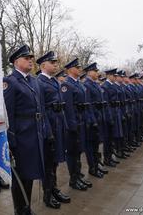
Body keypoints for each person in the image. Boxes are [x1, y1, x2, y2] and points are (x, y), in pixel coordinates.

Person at [3, 44, 46, 215]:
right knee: (20, 176)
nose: (30, 61)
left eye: (31, 58)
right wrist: (11, 142)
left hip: (34, 134)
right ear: (16, 61)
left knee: (30, 174)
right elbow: (8, 115)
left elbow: (40, 109)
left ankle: (27, 207)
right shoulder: (10, 82)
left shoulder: (33, 81)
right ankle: (20, 210)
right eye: (26, 58)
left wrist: (44, 131)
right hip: (20, 137)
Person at [36, 51, 70, 209]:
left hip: (58, 124)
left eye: (56, 62)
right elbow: (41, 110)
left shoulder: (55, 81)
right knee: (49, 162)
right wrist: (47, 132)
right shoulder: (39, 82)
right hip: (49, 126)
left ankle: (54, 188)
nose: (56, 64)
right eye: (52, 62)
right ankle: (47, 194)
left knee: (55, 160)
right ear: (43, 65)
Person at [61, 58, 93, 191]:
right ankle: (73, 179)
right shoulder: (67, 84)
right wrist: (72, 125)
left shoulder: (78, 83)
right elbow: (68, 107)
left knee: (79, 150)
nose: (80, 69)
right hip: (73, 122)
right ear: (70, 69)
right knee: (73, 152)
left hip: (81, 120)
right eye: (77, 67)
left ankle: (78, 175)